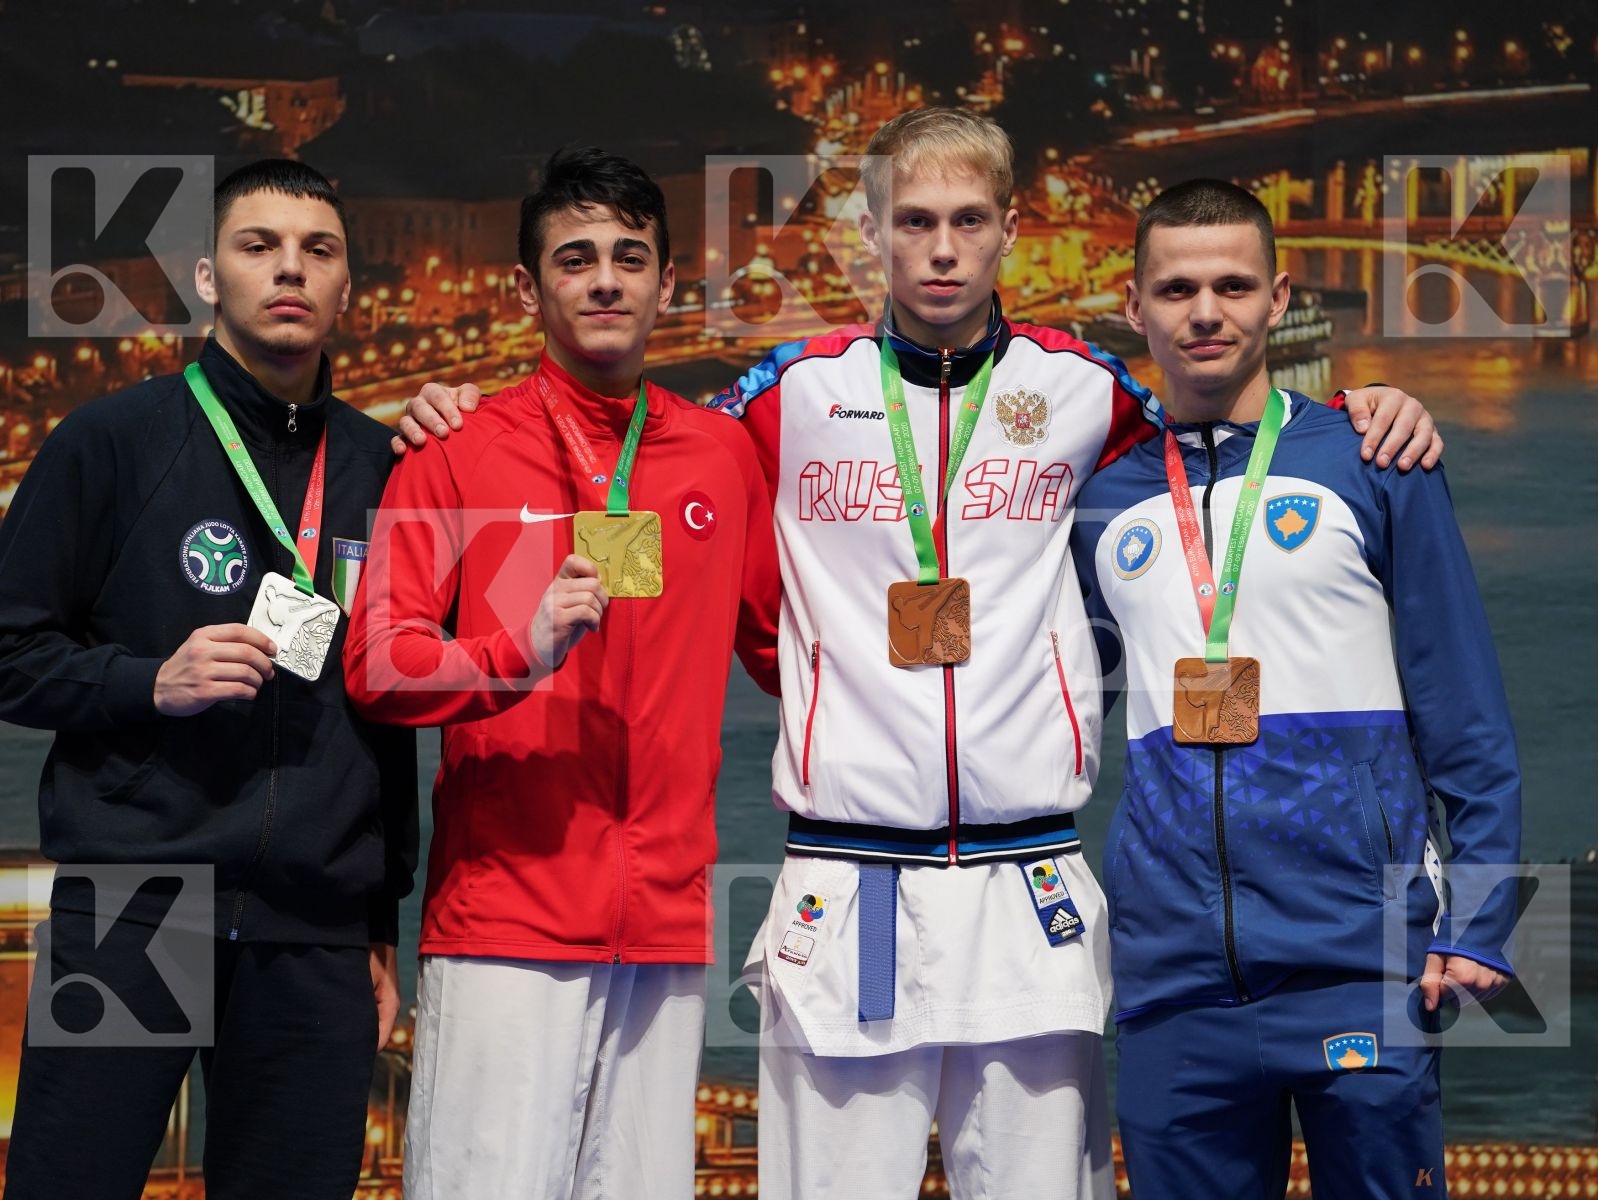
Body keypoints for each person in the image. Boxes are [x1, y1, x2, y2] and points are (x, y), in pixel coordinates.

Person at [395, 109, 1444, 1198]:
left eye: (966, 221)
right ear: (872, 234)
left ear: (1008, 233)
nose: (940, 248)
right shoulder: (780, 396)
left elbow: (1215, 438)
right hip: (845, 885)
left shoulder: (1085, 389)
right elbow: (642, 450)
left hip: (1027, 884)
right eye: (913, 221)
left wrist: (1356, 413)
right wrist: (456, 410)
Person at [341, 147, 779, 1200]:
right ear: (529, 288)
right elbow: (376, 662)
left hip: (666, 922)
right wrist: (511, 654)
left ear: (668, 284)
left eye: (631, 257)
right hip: (505, 921)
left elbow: (788, 652)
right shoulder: (455, 449)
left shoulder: (719, 457)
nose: (605, 280)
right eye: (575, 258)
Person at [1070, 178, 1520, 1200]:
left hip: (1362, 957)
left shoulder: (1374, 458)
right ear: (1133, 308)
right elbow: (1046, 703)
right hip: (1171, 980)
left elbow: (1465, 708)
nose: (1204, 311)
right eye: (1175, 288)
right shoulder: (1100, 501)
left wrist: (1480, 924)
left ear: (1278, 299)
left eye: (1232, 285)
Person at [0, 160, 418, 1199]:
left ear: (345, 293)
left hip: (314, 930)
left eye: (318, 252)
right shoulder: (112, 442)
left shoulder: (384, 466)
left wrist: (377, 919)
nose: (290, 270)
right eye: (258, 245)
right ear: (207, 276)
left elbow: (393, 709)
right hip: (139, 906)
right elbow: (10, 654)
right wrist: (150, 682)